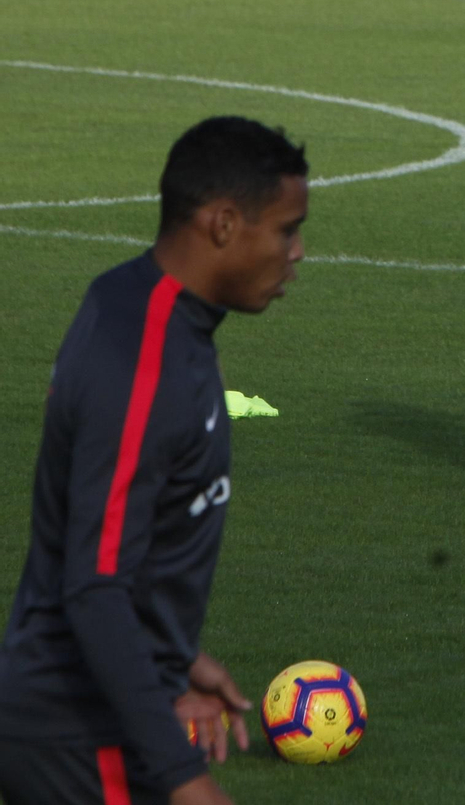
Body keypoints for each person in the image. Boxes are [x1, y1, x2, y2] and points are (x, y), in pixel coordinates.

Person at [0, 116, 309, 805]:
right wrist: (184, 777)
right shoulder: (143, 361)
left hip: (79, 715)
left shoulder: (137, 303)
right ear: (224, 222)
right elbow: (94, 582)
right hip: (81, 734)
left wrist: (174, 658)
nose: (297, 252)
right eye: (286, 229)